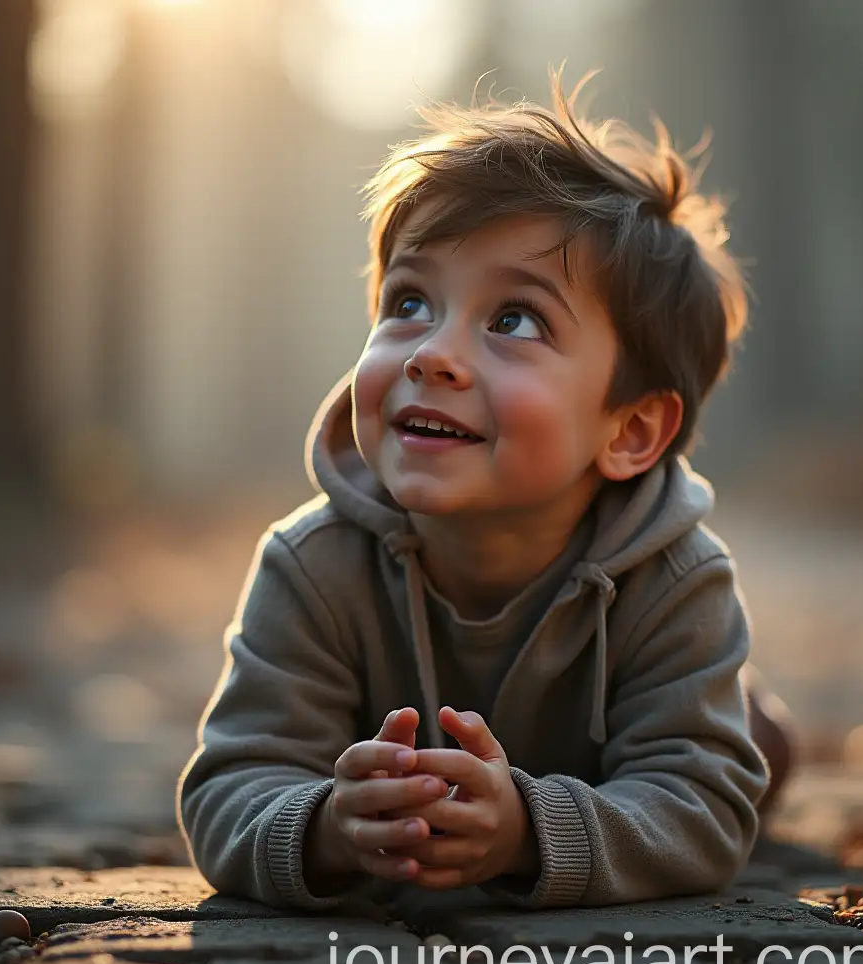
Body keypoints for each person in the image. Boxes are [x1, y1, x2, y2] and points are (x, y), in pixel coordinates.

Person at [176, 70, 794, 912]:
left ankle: (751, 722)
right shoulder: (313, 567)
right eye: (410, 301)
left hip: (614, 759)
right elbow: (231, 782)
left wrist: (527, 833)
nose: (433, 352)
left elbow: (706, 811)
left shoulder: (676, 580)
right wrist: (322, 825)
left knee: (749, 750)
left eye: (514, 320)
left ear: (630, 431)